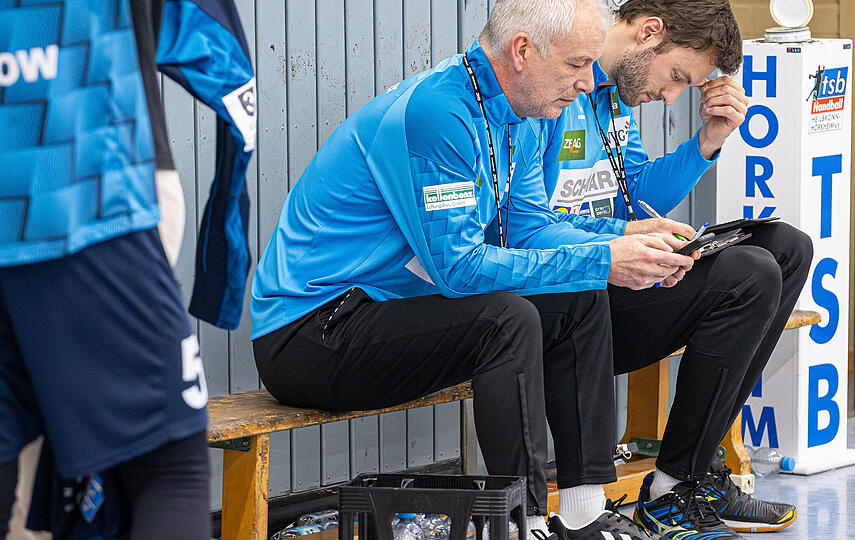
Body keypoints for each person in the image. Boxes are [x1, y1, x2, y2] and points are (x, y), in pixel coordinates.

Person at [249, 1, 693, 539]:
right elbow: (459, 270)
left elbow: (527, 227)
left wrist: (623, 240)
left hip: (388, 309)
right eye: (576, 64)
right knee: (506, 320)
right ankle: (521, 522)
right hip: (310, 332)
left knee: (579, 296)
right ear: (523, 50)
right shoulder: (440, 112)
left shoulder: (523, 114)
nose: (586, 83)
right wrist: (603, 259)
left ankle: (582, 511)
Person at [515, 0, 813, 537]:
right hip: (567, 303)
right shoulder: (552, 91)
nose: (670, 95)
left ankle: (686, 479)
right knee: (749, 273)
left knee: (787, 247)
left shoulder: (614, 103)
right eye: (676, 76)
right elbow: (526, 224)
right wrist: (621, 237)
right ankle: (674, 486)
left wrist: (708, 142)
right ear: (649, 32)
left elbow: (637, 193)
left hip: (614, 282)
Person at [0, 0, 255, 538]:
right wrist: (223, 275)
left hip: (70, 199)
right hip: (77, 186)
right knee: (168, 463)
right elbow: (225, 62)